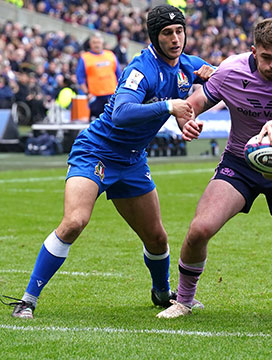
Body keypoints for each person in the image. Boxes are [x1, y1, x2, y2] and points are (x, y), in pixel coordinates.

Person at [5, 5, 216, 319]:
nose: (175, 39)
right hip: (96, 152)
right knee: (75, 221)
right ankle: (27, 300)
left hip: (132, 161)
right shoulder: (140, 68)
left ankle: (162, 294)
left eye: (179, 31)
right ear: (154, 38)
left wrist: (208, 87)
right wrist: (170, 107)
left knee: (157, 238)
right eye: (167, 33)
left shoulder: (190, 66)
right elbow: (122, 112)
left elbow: (223, 82)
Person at [156, 18, 272, 319]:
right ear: (253, 51)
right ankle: (185, 300)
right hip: (239, 165)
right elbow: (193, 104)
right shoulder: (231, 71)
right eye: (266, 57)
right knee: (199, 229)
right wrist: (186, 120)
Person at [76, 32, 122, 119]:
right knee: (96, 123)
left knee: (113, 121)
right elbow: (80, 77)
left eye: (98, 42)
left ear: (102, 43)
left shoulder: (110, 55)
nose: (96, 45)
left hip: (112, 96)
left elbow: (119, 75)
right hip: (96, 97)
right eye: (94, 42)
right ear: (90, 44)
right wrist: (87, 93)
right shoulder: (85, 58)